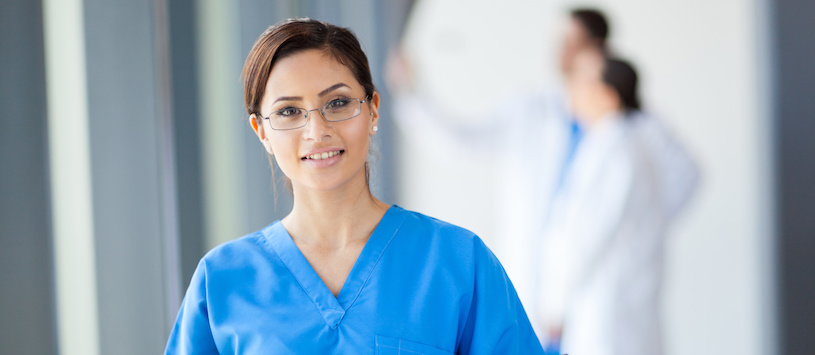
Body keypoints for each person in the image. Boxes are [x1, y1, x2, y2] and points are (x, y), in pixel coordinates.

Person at [164, 18, 545, 354]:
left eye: (338, 102)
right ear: (261, 131)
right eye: (288, 111)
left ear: (373, 109)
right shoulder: (223, 280)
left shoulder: (457, 262)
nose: (318, 131)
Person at [388, 7, 698, 355]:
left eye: (574, 42)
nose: (563, 51)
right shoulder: (532, 110)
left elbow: (683, 177)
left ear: (599, 50)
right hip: (538, 287)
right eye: (560, 41)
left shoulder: (627, 126)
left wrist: (633, 232)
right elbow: (462, 142)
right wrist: (411, 95)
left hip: (599, 302)